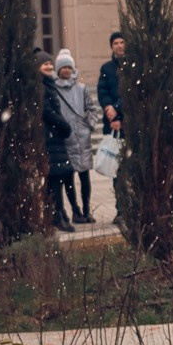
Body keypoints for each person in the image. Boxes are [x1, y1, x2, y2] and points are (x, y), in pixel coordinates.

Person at [51, 50, 96, 223]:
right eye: (64, 67)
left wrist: (88, 125)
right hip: (66, 140)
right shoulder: (54, 90)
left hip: (82, 140)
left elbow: (91, 108)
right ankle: (75, 210)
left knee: (85, 178)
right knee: (68, 178)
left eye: (69, 67)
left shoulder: (81, 89)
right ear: (59, 69)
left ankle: (86, 210)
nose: (67, 70)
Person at [39, 54, 75, 233]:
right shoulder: (41, 86)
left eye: (49, 63)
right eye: (44, 64)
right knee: (54, 178)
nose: (48, 66)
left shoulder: (48, 84)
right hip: (50, 137)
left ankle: (55, 214)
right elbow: (47, 112)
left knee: (56, 178)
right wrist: (64, 126)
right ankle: (57, 215)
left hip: (54, 137)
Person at [98, 31, 125, 134]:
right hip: (112, 121)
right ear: (112, 46)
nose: (119, 46)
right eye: (116, 43)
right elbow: (102, 92)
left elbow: (132, 94)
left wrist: (116, 108)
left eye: (122, 42)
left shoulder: (134, 67)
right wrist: (111, 111)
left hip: (131, 120)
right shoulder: (106, 68)